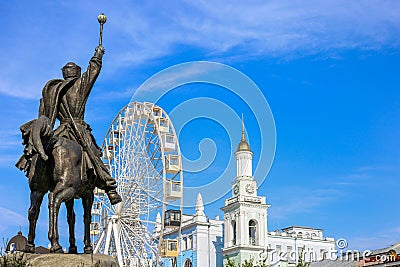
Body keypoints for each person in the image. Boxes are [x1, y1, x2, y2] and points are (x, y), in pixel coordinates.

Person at [17, 45, 121, 205]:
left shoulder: (52, 91)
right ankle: (110, 187)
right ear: (78, 74)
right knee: (94, 157)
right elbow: (92, 72)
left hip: (60, 130)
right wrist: (98, 55)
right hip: (77, 129)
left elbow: (43, 113)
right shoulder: (78, 86)